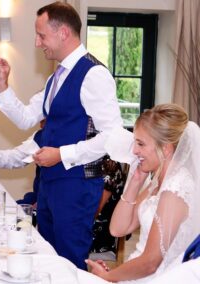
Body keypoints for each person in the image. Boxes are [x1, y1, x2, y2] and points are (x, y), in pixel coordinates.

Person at [0, 1, 122, 269]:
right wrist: (3, 86)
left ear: (63, 32)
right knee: (48, 261)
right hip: (49, 185)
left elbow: (112, 136)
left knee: (69, 263)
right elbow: (28, 117)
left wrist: (61, 154)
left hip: (76, 186)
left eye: (41, 35)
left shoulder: (93, 74)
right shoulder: (56, 77)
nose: (38, 43)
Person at [84, 103, 200, 282]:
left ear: (166, 149)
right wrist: (136, 181)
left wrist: (109, 276)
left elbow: (151, 262)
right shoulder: (157, 182)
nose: (134, 150)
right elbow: (118, 229)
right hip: (139, 272)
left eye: (141, 144)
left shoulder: (175, 189)